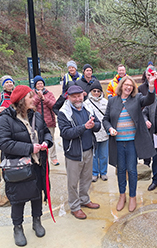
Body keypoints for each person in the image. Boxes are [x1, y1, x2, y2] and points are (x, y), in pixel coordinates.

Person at [0, 85, 53, 246]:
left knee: (37, 195)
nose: (33, 99)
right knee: (18, 199)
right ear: (21, 101)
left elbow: (46, 131)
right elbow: (3, 143)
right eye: (30, 97)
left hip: (38, 163)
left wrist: (47, 142)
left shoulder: (36, 115)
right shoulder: (6, 119)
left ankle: (37, 221)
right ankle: (17, 228)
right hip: (19, 167)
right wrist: (29, 148)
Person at [103, 74, 157, 212]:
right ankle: (122, 195)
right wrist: (109, 128)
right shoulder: (112, 101)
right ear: (121, 86)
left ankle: (132, 196)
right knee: (120, 170)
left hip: (132, 142)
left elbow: (150, 99)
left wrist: (151, 84)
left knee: (132, 170)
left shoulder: (137, 99)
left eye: (131, 85)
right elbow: (106, 119)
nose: (128, 87)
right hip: (118, 142)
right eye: (126, 85)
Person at [58, 85, 101, 220]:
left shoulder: (88, 108)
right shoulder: (63, 112)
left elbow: (98, 125)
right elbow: (65, 133)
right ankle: (75, 207)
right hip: (74, 153)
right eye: (74, 96)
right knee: (73, 182)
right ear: (69, 97)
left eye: (79, 96)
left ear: (83, 95)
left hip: (88, 150)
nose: (77, 99)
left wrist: (94, 125)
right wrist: (84, 127)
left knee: (86, 178)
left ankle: (84, 199)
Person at [83, 83, 109, 182]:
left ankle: (103, 172)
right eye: (94, 91)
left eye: (98, 91)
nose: (96, 93)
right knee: (94, 155)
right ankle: (94, 173)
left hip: (104, 132)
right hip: (92, 133)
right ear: (91, 91)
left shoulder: (105, 102)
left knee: (103, 154)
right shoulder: (86, 103)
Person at [32, 75, 59, 166]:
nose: (40, 85)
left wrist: (44, 99)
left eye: (41, 83)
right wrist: (38, 98)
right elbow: (31, 106)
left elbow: (54, 105)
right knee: (38, 140)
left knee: (51, 140)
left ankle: (53, 158)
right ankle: (41, 158)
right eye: (38, 83)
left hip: (49, 121)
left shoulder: (49, 93)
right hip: (37, 122)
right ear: (35, 85)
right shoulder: (31, 94)